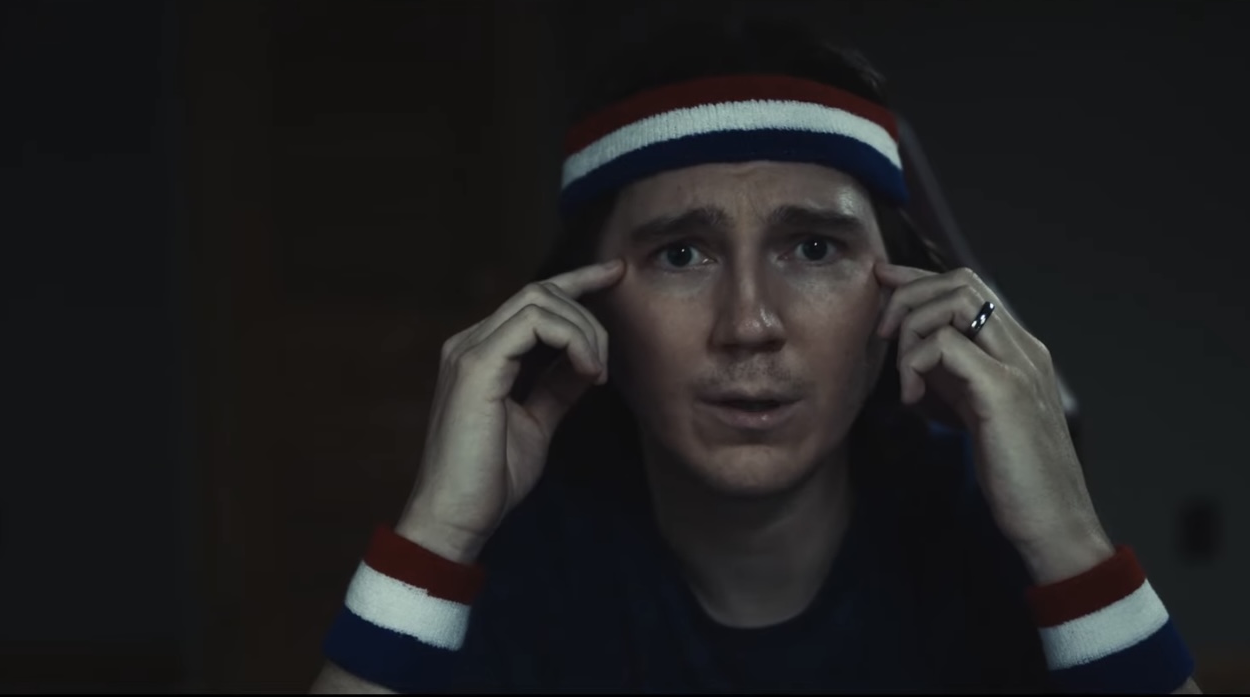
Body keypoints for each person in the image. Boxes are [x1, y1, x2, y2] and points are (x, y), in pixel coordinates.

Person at [311, 14, 1201, 695]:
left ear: (897, 291)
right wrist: (438, 531)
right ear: (587, 303)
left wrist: (1068, 542)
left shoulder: (984, 534)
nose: (749, 322)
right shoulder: (522, 564)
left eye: (813, 248)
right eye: (681, 254)